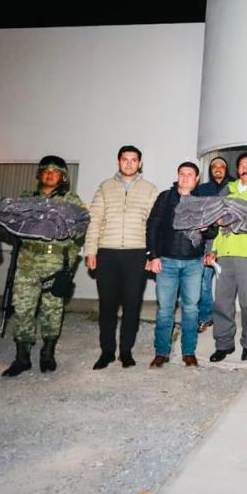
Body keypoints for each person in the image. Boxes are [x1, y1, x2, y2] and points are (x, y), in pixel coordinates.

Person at [1, 155, 87, 377]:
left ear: (63, 177)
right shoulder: (27, 199)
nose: (50, 174)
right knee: (22, 308)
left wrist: (70, 260)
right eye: (46, 171)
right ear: (39, 174)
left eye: (55, 171)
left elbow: (80, 232)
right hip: (27, 261)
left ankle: (48, 353)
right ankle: (22, 357)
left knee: (52, 308)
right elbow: (12, 225)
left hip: (55, 261)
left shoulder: (71, 200)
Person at [85, 146, 156, 370]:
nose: (129, 163)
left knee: (132, 306)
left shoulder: (149, 189)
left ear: (140, 164)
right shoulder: (105, 187)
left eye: (133, 160)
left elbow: (153, 225)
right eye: (125, 159)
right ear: (118, 162)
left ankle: (126, 351)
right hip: (107, 253)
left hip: (136, 254)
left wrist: (152, 254)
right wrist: (90, 251)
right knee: (107, 306)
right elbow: (94, 220)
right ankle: (106, 352)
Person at [146, 162, 217, 368]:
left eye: (190, 174)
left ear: (197, 179)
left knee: (191, 309)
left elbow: (214, 231)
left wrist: (206, 229)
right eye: (182, 174)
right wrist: (153, 256)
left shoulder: (203, 201)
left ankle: (189, 352)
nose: (185, 177)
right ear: (177, 176)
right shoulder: (165, 198)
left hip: (193, 263)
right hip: (166, 262)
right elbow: (152, 226)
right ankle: (161, 352)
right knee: (165, 310)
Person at [207, 152, 247, 363]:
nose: (244, 168)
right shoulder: (227, 191)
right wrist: (213, 249)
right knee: (222, 302)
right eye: (241, 165)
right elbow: (216, 222)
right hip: (225, 253)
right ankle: (223, 344)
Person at [196, 157, 231, 333]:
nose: (218, 168)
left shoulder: (233, 187)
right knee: (204, 281)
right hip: (208, 240)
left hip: (230, 239)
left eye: (221, 166)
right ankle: (206, 317)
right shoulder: (201, 189)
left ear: (226, 169)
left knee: (227, 283)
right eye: (214, 166)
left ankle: (225, 318)